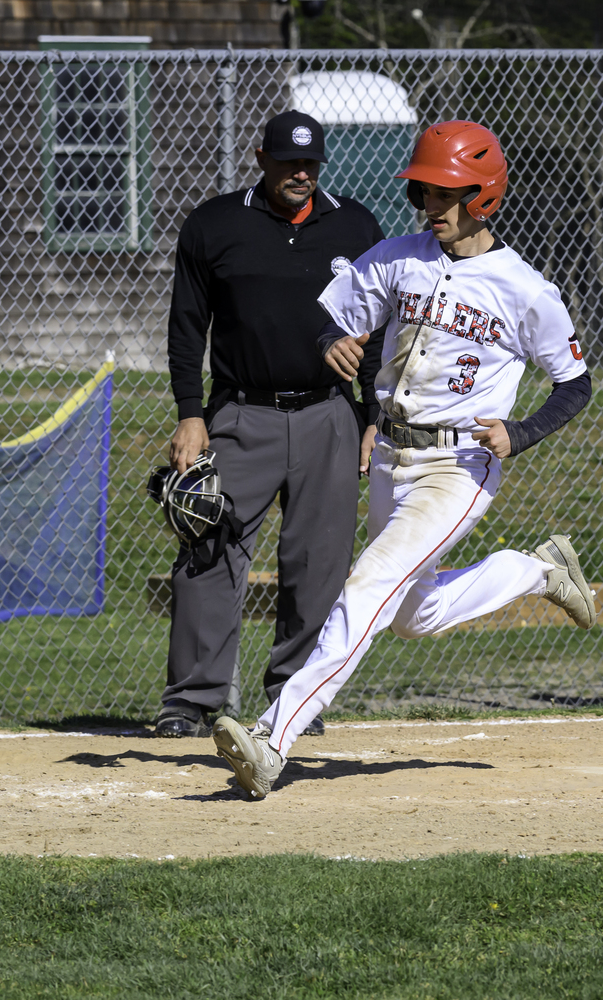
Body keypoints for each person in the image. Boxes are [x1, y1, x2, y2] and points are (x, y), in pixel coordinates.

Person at [209, 120, 595, 800]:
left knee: (366, 587)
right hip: (390, 453)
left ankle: (274, 740)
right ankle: (537, 570)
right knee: (415, 614)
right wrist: (333, 341)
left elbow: (575, 383)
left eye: (448, 193)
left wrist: (523, 432)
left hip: (458, 468)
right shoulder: (398, 256)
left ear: (486, 196)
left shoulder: (524, 288)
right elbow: (334, 314)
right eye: (424, 190)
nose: (431, 205)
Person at [156, 110, 386, 738]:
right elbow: (186, 327)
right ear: (261, 158)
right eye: (288, 162)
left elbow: (376, 330)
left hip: (330, 414)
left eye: (311, 163)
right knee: (208, 545)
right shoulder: (216, 224)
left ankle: (293, 697)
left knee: (318, 561)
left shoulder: (356, 225)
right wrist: (190, 415)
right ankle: (193, 698)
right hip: (240, 411)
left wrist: (373, 416)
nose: (301, 174)